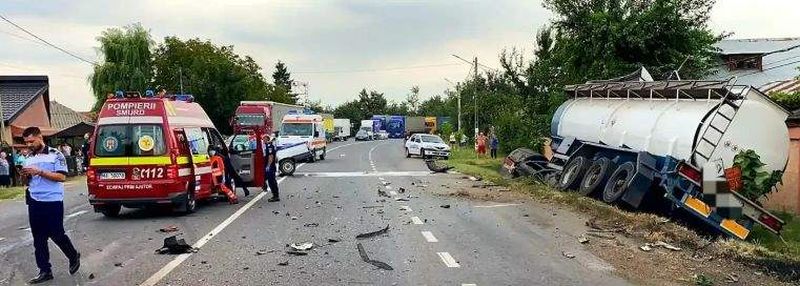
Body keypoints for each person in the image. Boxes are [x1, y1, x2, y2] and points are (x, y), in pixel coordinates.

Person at [21, 127, 80, 284]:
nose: (29, 145)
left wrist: (40, 172)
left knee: (56, 233)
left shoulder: (55, 154)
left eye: (32, 141)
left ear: (40, 137)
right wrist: (25, 176)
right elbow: (27, 181)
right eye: (26, 142)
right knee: (38, 238)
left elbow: (61, 177)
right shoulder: (28, 158)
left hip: (52, 200)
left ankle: (73, 255)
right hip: (34, 199)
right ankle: (45, 270)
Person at [264, 135, 280, 202]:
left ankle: (275, 196)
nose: (263, 140)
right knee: (270, 180)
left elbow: (271, 156)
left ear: (267, 139)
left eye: (264, 138)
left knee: (272, 181)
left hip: (271, 167)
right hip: (271, 166)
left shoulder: (269, 146)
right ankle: (275, 195)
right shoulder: (269, 145)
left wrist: (268, 165)